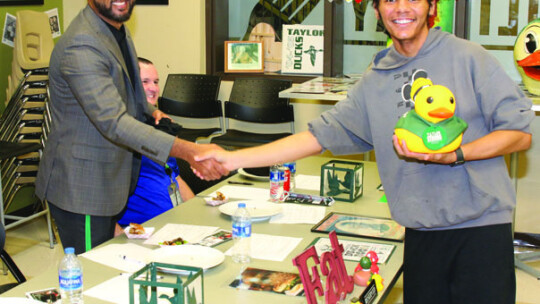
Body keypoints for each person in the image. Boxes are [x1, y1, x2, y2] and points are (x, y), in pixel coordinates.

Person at [196, 0, 534, 303]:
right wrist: (232, 159)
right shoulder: (376, 78)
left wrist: (455, 155)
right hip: (420, 232)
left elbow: (519, 134)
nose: (401, 8)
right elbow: (316, 136)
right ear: (376, 11)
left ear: (432, 6)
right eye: (389, 0)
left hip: (480, 227)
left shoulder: (469, 58)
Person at [35, 0, 227, 254]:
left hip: (111, 180)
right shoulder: (82, 44)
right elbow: (114, 121)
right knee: (94, 273)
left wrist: (152, 110)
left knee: (111, 268)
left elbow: (129, 96)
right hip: (85, 188)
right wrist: (189, 150)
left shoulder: (117, 30)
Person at [116, 58, 195, 228]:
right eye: (145, 82)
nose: (153, 88)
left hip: (172, 223)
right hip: (140, 230)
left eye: (156, 82)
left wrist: (196, 213)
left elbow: (175, 176)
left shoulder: (160, 125)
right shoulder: (120, 131)